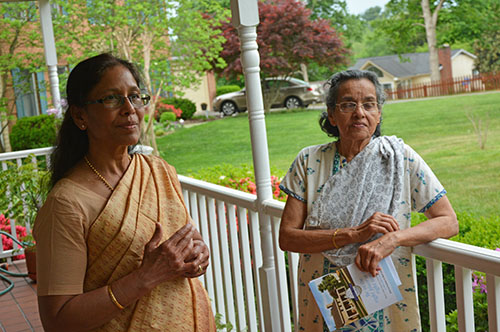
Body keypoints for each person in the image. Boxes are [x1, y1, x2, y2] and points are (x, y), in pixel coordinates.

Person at [33, 53, 215, 332]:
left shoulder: (159, 171)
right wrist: (145, 277)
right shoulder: (66, 204)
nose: (129, 108)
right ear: (80, 115)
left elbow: (182, 243)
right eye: (112, 98)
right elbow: (58, 321)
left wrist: (197, 255)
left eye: (135, 96)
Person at [278, 69, 458, 331]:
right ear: (331, 114)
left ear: (379, 113)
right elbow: (287, 237)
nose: (359, 113)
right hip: (323, 302)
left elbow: (448, 221)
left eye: (369, 104)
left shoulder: (400, 158)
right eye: (348, 104)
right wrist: (353, 234)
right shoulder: (309, 161)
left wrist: (392, 239)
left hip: (382, 299)